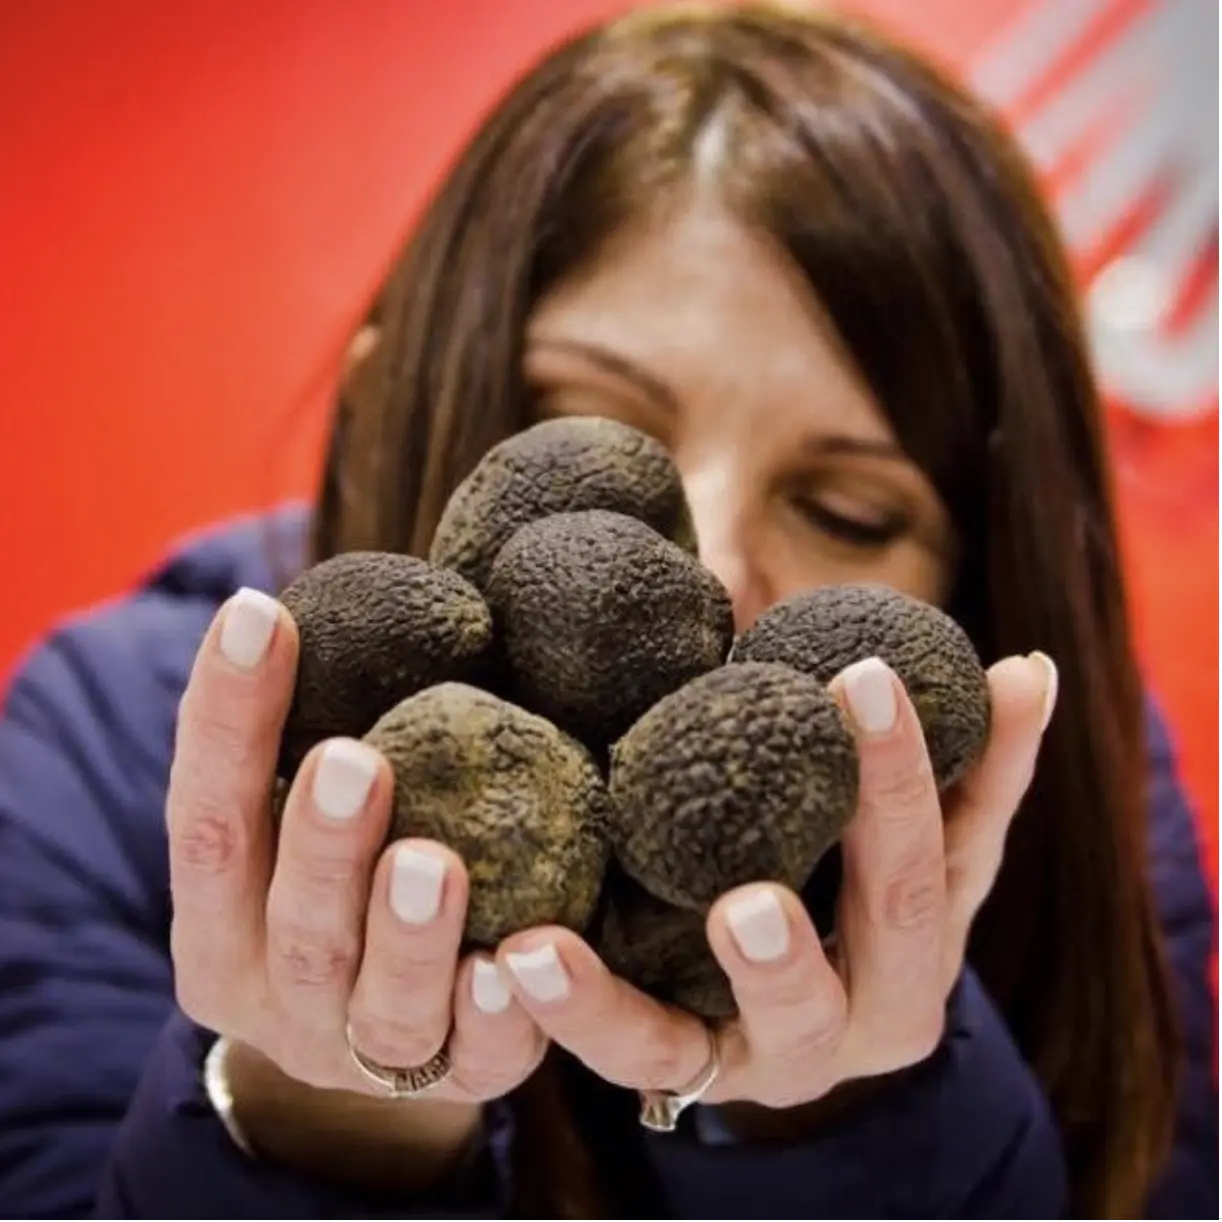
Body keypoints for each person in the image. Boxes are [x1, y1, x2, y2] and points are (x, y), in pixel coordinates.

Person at [0, 4, 1215, 1218]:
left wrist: (849, 1121)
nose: (713, 567)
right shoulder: (97, 740)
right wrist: (314, 1117)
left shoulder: (1073, 783)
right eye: (581, 431)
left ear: (978, 577)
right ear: (383, 407)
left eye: (845, 509)